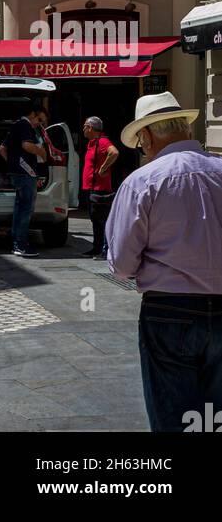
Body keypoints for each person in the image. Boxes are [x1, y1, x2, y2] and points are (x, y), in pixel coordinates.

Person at [107, 91, 222, 433]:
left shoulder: (142, 182)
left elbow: (121, 265)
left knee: (174, 420)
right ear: (186, 130)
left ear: (147, 136)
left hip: (169, 312)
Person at [1, 101, 48, 258]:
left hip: (16, 172)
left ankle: (17, 242)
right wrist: (41, 152)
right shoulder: (25, 125)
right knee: (26, 209)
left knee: (20, 207)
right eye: (39, 120)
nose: (38, 124)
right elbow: (27, 146)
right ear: (32, 115)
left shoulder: (15, 126)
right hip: (26, 172)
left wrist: (12, 164)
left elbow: (1, 149)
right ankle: (20, 244)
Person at [81, 116, 119, 258]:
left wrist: (103, 168)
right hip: (91, 187)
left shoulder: (102, 141)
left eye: (85, 126)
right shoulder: (92, 143)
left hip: (100, 189)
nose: (83, 129)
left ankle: (105, 250)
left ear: (90, 128)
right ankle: (96, 248)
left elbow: (114, 152)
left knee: (102, 220)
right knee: (95, 220)